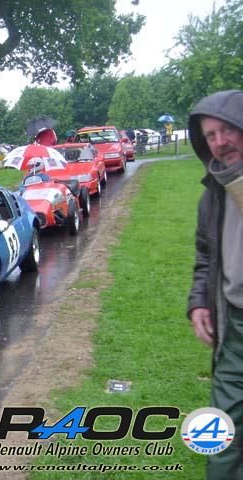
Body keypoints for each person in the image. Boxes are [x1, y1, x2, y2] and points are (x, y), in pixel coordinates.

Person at [187, 89, 243, 479]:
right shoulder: (213, 195)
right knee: (223, 439)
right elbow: (205, 257)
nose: (220, 142)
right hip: (234, 327)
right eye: (210, 135)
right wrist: (199, 302)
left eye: (228, 129)